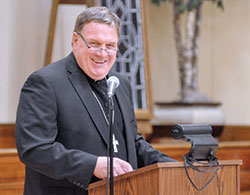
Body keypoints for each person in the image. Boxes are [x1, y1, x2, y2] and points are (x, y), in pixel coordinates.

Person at [15, 6, 176, 195]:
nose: (102, 53)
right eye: (94, 43)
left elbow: (132, 143)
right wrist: (93, 165)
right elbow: (34, 149)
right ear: (76, 41)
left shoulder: (119, 84)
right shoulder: (45, 83)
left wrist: (173, 168)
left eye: (110, 46)